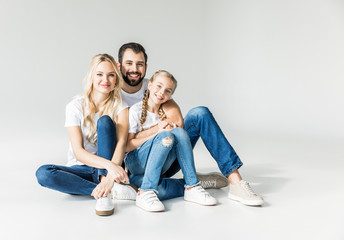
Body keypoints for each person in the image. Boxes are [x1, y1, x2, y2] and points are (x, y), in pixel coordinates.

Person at [117, 42, 264, 206]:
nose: (134, 69)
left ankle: (236, 182)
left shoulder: (155, 86)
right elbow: (123, 142)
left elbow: (177, 123)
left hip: (167, 153)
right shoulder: (112, 93)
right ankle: (193, 181)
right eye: (129, 63)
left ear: (146, 67)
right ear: (119, 65)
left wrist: (162, 129)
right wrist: (156, 131)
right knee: (156, 189)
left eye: (140, 64)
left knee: (199, 113)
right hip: (138, 162)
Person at [35, 54, 137, 216]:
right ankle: (107, 192)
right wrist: (109, 166)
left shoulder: (121, 106)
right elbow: (78, 152)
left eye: (111, 75)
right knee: (43, 173)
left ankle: (105, 186)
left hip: (110, 170)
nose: (106, 79)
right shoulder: (75, 106)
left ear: (116, 79)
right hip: (83, 169)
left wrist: (109, 175)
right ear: (91, 76)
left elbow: (121, 143)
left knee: (104, 121)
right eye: (100, 74)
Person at [126, 70, 217, 212]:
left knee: (179, 132)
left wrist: (169, 131)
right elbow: (128, 145)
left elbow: (179, 126)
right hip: (137, 164)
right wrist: (158, 133)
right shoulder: (135, 110)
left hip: (159, 168)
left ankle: (192, 186)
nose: (162, 92)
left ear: (170, 95)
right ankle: (146, 191)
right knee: (164, 136)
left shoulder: (168, 111)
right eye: (158, 86)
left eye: (167, 91)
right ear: (149, 85)